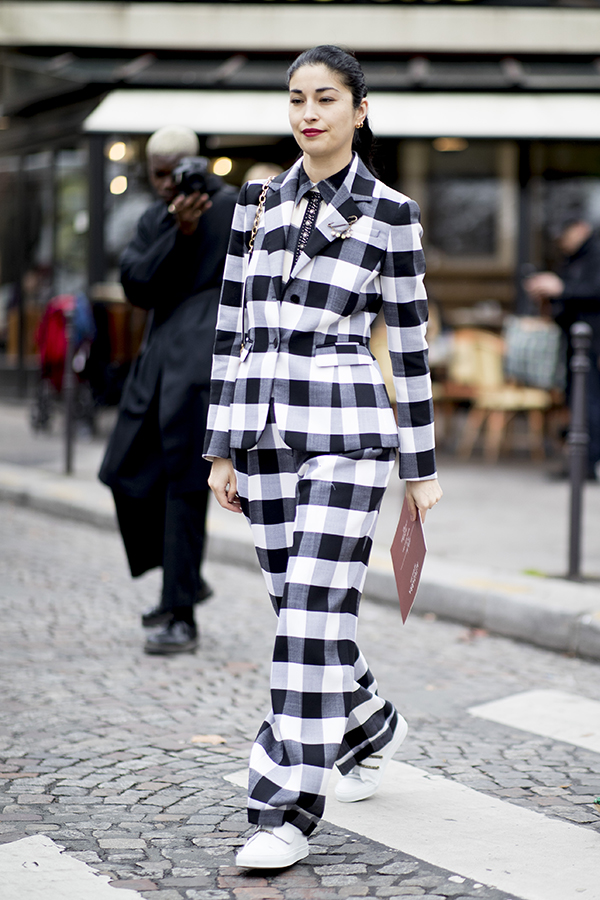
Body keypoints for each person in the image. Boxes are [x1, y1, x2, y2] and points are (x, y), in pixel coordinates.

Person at [204, 46, 442, 869]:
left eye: (328, 98)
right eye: (298, 98)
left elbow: (406, 348)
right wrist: (221, 446)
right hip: (262, 435)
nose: (310, 112)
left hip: (349, 433)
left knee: (309, 613)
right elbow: (232, 331)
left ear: (360, 110)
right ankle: (371, 724)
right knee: (302, 615)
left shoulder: (391, 212)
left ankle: (283, 810)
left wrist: (421, 467)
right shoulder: (255, 202)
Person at [99, 125, 237, 654]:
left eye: (174, 172)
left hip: (203, 364)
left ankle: (181, 612)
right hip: (159, 361)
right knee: (124, 469)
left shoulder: (231, 209)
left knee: (184, 485)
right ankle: (183, 581)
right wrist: (175, 232)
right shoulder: (158, 217)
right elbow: (136, 283)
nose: (165, 183)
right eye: (156, 174)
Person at [525, 217, 600, 480]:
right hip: (575, 341)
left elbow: (593, 290)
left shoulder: (595, 252)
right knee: (577, 398)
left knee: (588, 400)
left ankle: (587, 464)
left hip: (592, 343)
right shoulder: (573, 258)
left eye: (566, 234)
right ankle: (581, 463)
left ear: (581, 228)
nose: (562, 241)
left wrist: (562, 287)